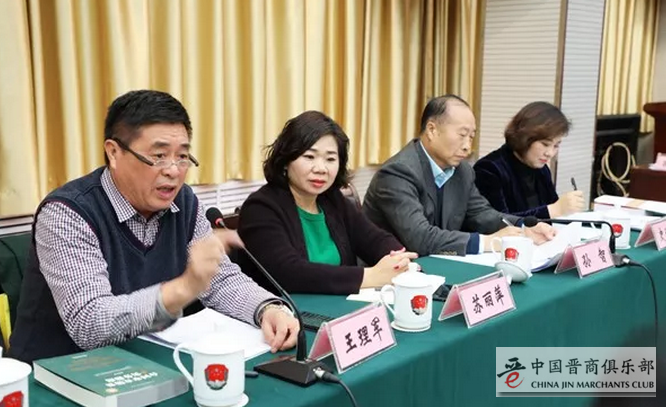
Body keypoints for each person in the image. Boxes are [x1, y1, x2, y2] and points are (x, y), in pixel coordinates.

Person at [8, 90, 298, 363]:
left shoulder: (183, 202)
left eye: (182, 156)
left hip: (140, 363)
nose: (173, 171)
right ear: (114, 152)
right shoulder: (67, 213)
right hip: (55, 375)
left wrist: (267, 308)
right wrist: (184, 288)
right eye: (159, 156)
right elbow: (91, 323)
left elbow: (219, 280)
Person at [237, 110, 417, 295]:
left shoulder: (332, 200)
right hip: (285, 310)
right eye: (309, 157)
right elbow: (288, 272)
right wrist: (369, 276)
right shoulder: (260, 208)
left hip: (340, 306)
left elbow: (374, 238)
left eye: (330, 159)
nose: (321, 169)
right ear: (285, 160)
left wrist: (398, 260)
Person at [363, 94, 556, 257]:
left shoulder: (462, 171)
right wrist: (487, 242)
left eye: (471, 137)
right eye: (462, 135)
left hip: (436, 266)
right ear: (432, 130)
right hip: (390, 277)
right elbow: (420, 238)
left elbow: (481, 214)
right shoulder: (398, 172)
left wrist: (523, 227)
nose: (467, 146)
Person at [473, 101, 585, 219]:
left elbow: (554, 214)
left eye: (556, 146)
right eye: (545, 144)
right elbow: (498, 221)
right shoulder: (489, 169)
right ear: (525, 138)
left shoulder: (542, 170)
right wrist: (555, 209)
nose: (550, 153)